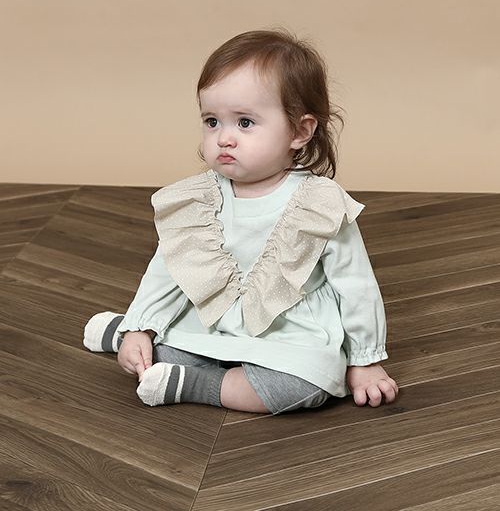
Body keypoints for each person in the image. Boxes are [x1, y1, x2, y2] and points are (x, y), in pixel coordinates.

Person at [83, 28, 399, 415]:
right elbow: (169, 268)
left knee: (306, 386)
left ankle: (197, 384)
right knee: (158, 349)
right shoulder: (199, 199)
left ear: (300, 131)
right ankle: (128, 332)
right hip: (209, 321)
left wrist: (365, 358)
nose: (224, 138)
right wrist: (141, 326)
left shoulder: (318, 204)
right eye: (212, 121)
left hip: (289, 331)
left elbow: (356, 285)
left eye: (245, 123)